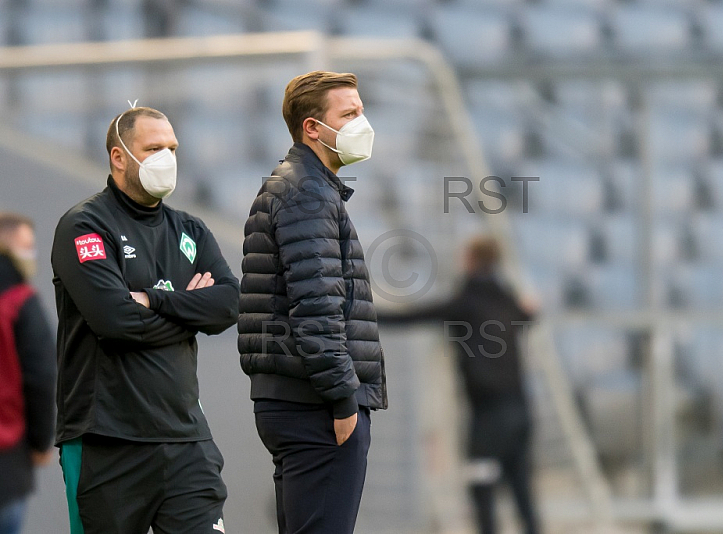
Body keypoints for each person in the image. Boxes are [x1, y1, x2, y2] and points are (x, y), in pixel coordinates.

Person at [51, 106, 239, 534]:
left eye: (171, 148)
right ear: (119, 157)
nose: (166, 158)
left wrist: (153, 300)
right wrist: (191, 312)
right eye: (153, 148)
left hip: (186, 439)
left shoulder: (189, 229)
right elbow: (115, 322)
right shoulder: (84, 226)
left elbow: (229, 304)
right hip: (106, 441)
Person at [238, 71, 387, 534]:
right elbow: (316, 305)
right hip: (317, 406)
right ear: (312, 128)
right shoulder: (306, 191)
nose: (363, 122)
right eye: (349, 114)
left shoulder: (307, 186)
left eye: (361, 111)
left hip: (299, 401)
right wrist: (343, 401)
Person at [379, 235, 541, 534]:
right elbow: (529, 314)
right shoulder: (506, 298)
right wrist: (532, 311)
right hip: (521, 410)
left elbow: (417, 315)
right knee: (522, 494)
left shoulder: (467, 302)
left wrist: (370, 315)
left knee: (482, 489)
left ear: (470, 260)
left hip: (489, 417)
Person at [0, 214, 56, 534]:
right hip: (7, 465)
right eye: (26, 247)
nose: (32, 255)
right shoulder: (20, 302)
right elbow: (41, 376)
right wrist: (41, 441)